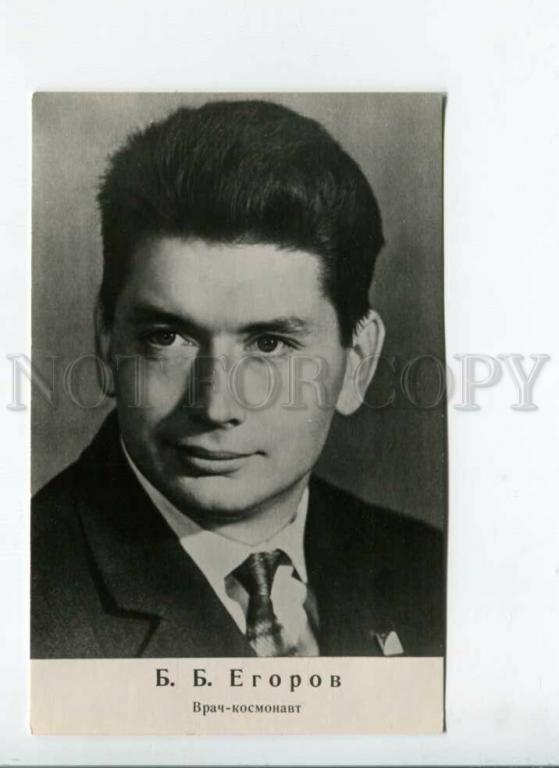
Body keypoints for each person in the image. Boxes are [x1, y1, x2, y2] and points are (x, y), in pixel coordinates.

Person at [31, 100, 444, 658]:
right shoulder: (28, 594)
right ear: (106, 338)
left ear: (358, 362)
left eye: (269, 344)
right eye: (167, 336)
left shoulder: (430, 572)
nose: (216, 405)